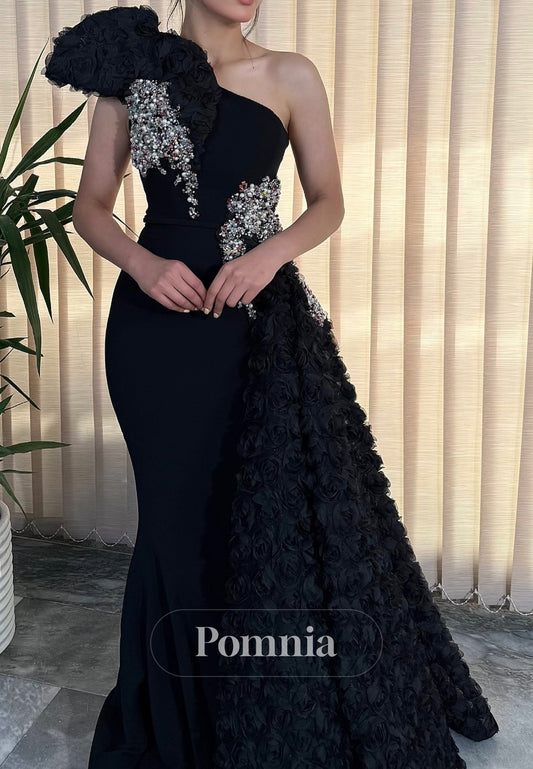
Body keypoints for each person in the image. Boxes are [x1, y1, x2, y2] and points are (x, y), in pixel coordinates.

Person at [42, 2, 499, 767]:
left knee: (257, 514)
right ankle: (175, 719)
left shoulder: (290, 75)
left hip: (255, 324)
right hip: (155, 328)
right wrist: (143, 264)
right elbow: (91, 206)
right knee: (171, 521)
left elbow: (328, 201)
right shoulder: (130, 72)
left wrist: (266, 256)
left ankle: (256, 702)